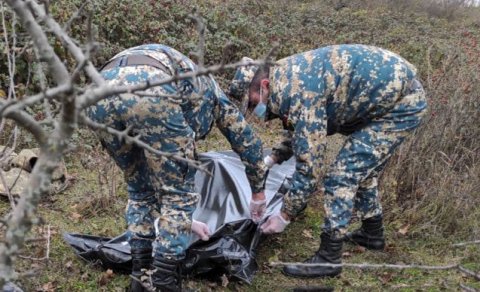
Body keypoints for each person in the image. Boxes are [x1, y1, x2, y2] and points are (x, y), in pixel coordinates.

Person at [228, 44, 427, 278]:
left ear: (264, 86)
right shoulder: (285, 77)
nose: (253, 110)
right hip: (387, 99)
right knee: (363, 170)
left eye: (251, 103)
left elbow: (310, 166)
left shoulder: (298, 90)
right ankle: (372, 234)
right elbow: (299, 129)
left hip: (401, 106)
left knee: (341, 176)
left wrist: (285, 215)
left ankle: (329, 258)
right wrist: (273, 158)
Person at [86, 44, 268, 291]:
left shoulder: (194, 81)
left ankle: (140, 277)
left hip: (98, 89)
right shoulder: (216, 96)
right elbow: (250, 146)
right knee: (179, 195)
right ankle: (164, 282)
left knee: (139, 189)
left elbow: (154, 175)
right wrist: (257, 193)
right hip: (150, 87)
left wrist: (185, 222)